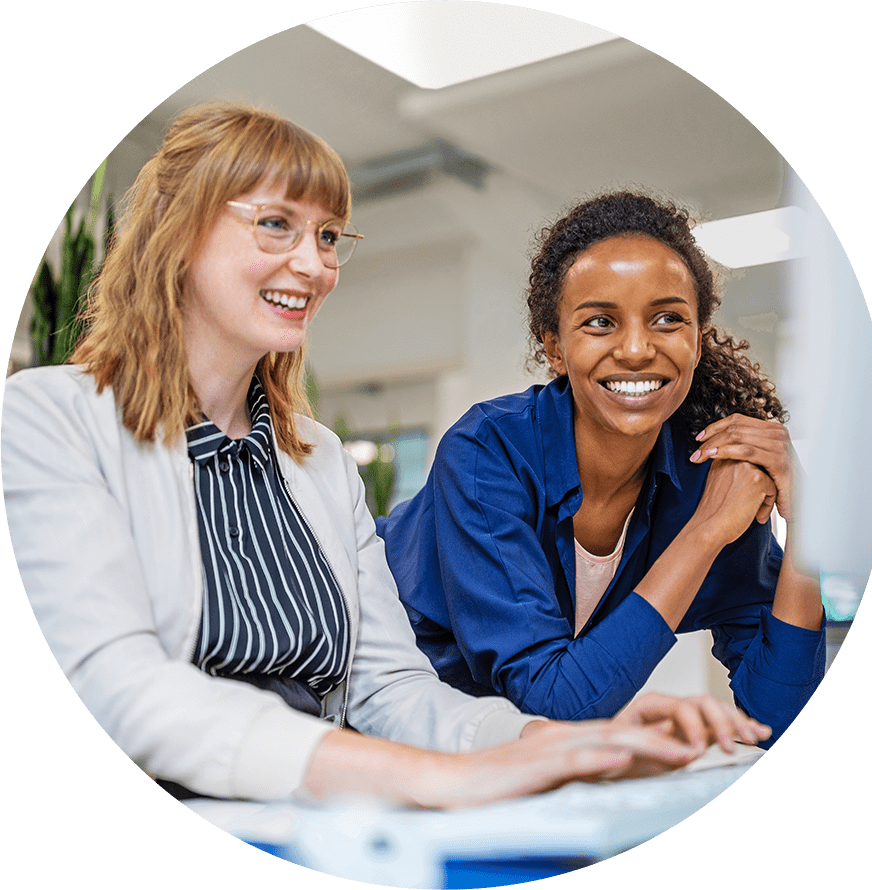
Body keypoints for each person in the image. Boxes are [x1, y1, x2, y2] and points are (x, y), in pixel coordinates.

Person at [1, 106, 770, 807]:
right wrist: (426, 775)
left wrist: (567, 746)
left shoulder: (319, 461)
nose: (313, 265)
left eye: (329, 236)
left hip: (315, 807)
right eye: (276, 225)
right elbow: (115, 685)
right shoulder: (49, 418)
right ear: (179, 231)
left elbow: (390, 690)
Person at [377, 191, 826, 748]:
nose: (637, 349)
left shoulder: (706, 472)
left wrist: (807, 519)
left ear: (696, 339)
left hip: (501, 751)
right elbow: (552, 703)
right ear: (556, 350)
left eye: (667, 319)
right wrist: (706, 532)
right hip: (363, 704)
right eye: (600, 322)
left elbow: (778, 721)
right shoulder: (488, 451)